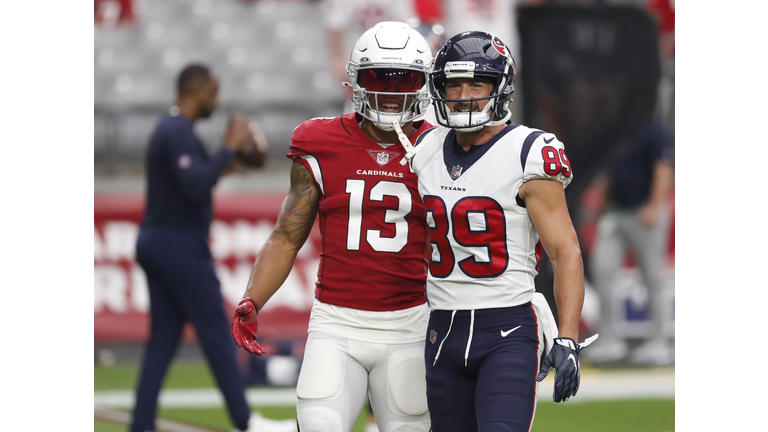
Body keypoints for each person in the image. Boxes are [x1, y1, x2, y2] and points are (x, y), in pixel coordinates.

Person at [231, 21, 435, 432]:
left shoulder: (440, 147)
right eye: (379, 77)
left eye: (405, 80)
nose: (391, 92)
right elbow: (288, 234)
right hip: (336, 324)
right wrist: (253, 299)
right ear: (357, 80)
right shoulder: (319, 141)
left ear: (423, 83)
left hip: (412, 323)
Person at [408, 31, 594, 432]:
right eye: (453, 84)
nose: (463, 94)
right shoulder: (423, 149)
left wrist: (567, 336)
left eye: (477, 82)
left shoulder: (527, 152)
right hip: (442, 326)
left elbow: (566, 252)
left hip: (506, 327)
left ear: (501, 87)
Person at [130, 64, 258, 432]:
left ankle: (140, 425)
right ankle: (245, 421)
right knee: (216, 331)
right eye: (213, 93)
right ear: (197, 91)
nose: (215, 102)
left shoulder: (170, 129)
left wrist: (226, 163)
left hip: (158, 241)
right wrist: (227, 149)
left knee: (164, 339)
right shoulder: (178, 132)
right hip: (178, 246)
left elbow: (194, 178)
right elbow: (193, 185)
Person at [584, 116, 674, 366]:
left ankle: (659, 342)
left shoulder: (653, 129)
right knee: (602, 269)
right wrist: (603, 203)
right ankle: (609, 339)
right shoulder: (616, 128)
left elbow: (663, 166)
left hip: (645, 211)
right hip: (616, 213)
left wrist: (656, 206)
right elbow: (609, 169)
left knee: (652, 276)